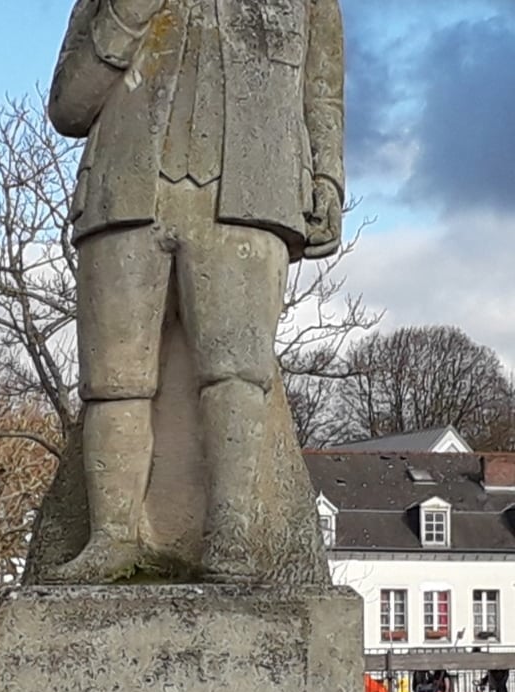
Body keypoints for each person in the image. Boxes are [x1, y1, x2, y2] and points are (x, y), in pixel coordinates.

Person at [42, 0, 345, 583]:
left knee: (237, 372)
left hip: (252, 194)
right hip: (124, 192)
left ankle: (231, 535)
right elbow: (68, 106)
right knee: (114, 379)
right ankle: (113, 537)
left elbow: (321, 93)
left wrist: (328, 178)